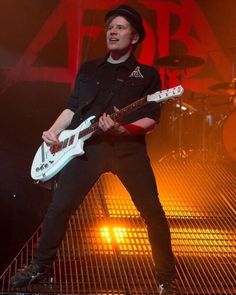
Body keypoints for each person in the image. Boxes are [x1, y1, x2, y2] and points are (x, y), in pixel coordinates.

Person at [10, 5, 178, 295]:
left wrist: (123, 129)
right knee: (59, 207)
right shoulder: (88, 70)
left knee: (152, 212)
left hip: (127, 149)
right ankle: (40, 266)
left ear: (134, 37)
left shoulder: (146, 75)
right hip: (86, 148)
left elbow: (151, 118)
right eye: (110, 27)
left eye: (120, 27)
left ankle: (166, 279)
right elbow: (72, 108)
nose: (112, 31)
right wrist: (53, 132)